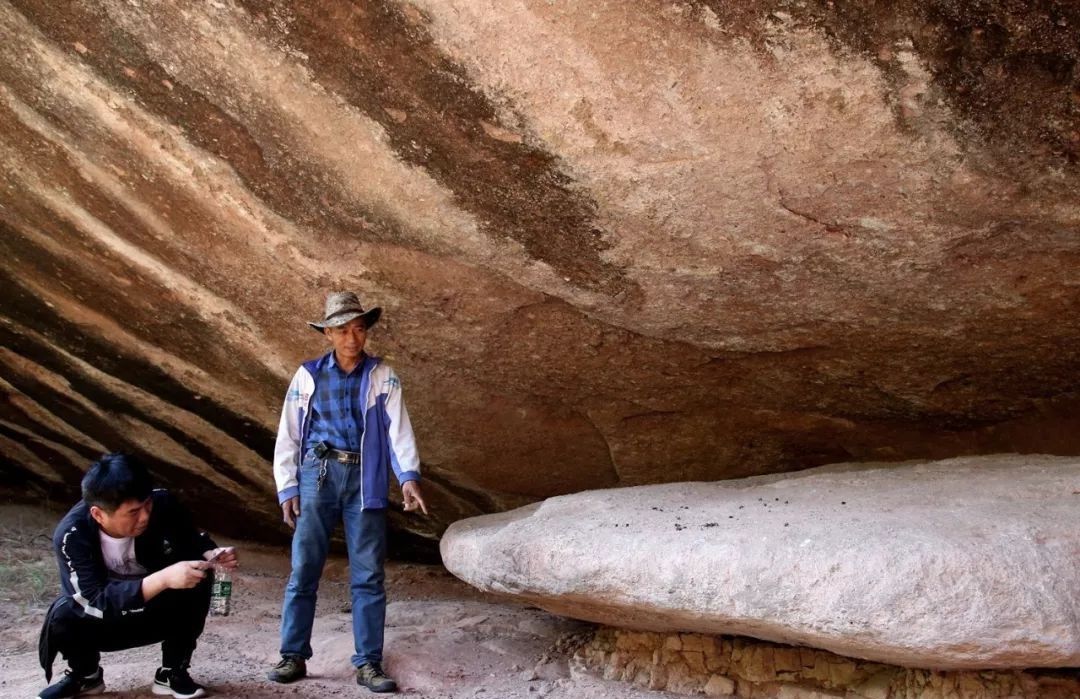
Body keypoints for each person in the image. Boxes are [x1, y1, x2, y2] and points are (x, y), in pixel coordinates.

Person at [268, 291, 427, 694]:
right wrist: (287, 485)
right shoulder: (307, 375)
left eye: (358, 329)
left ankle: (369, 663)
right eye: (342, 330)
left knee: (369, 574)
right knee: (304, 568)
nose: (352, 338)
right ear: (327, 333)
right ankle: (293, 655)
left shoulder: (382, 375)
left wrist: (408, 477)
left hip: (364, 477)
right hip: (317, 475)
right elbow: (288, 434)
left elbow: (398, 428)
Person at [36, 453, 239, 699]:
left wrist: (212, 553)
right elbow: (91, 599)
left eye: (147, 505)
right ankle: (85, 675)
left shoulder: (164, 504)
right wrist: (163, 579)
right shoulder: (72, 535)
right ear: (98, 514)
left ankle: (172, 671)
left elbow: (190, 539)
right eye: (133, 512)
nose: (144, 516)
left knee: (195, 578)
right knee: (64, 613)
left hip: (157, 613)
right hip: (105, 620)